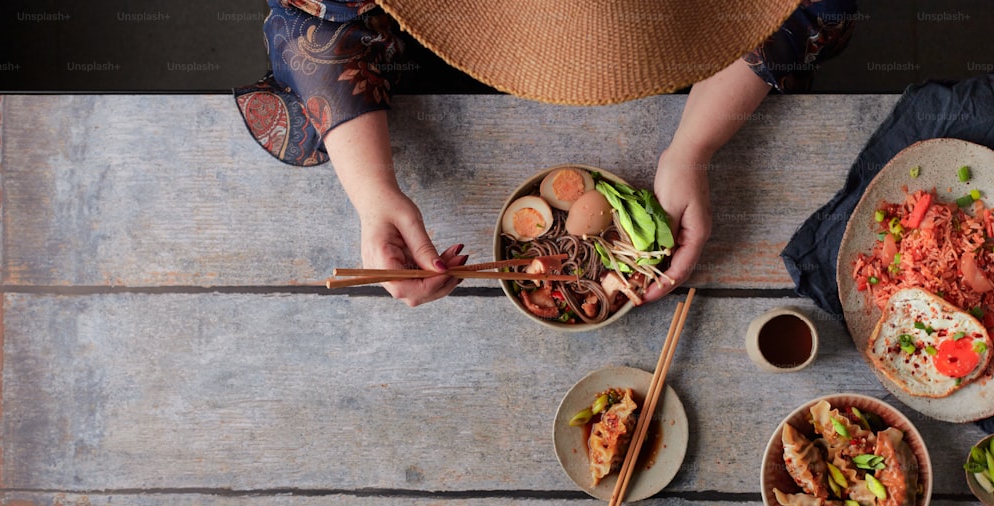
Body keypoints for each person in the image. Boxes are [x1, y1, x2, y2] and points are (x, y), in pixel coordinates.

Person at [235, 0, 857, 306]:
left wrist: (692, 147)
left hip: (694, 44)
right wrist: (373, 194)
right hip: (432, 42)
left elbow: (813, 6)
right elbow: (305, 16)